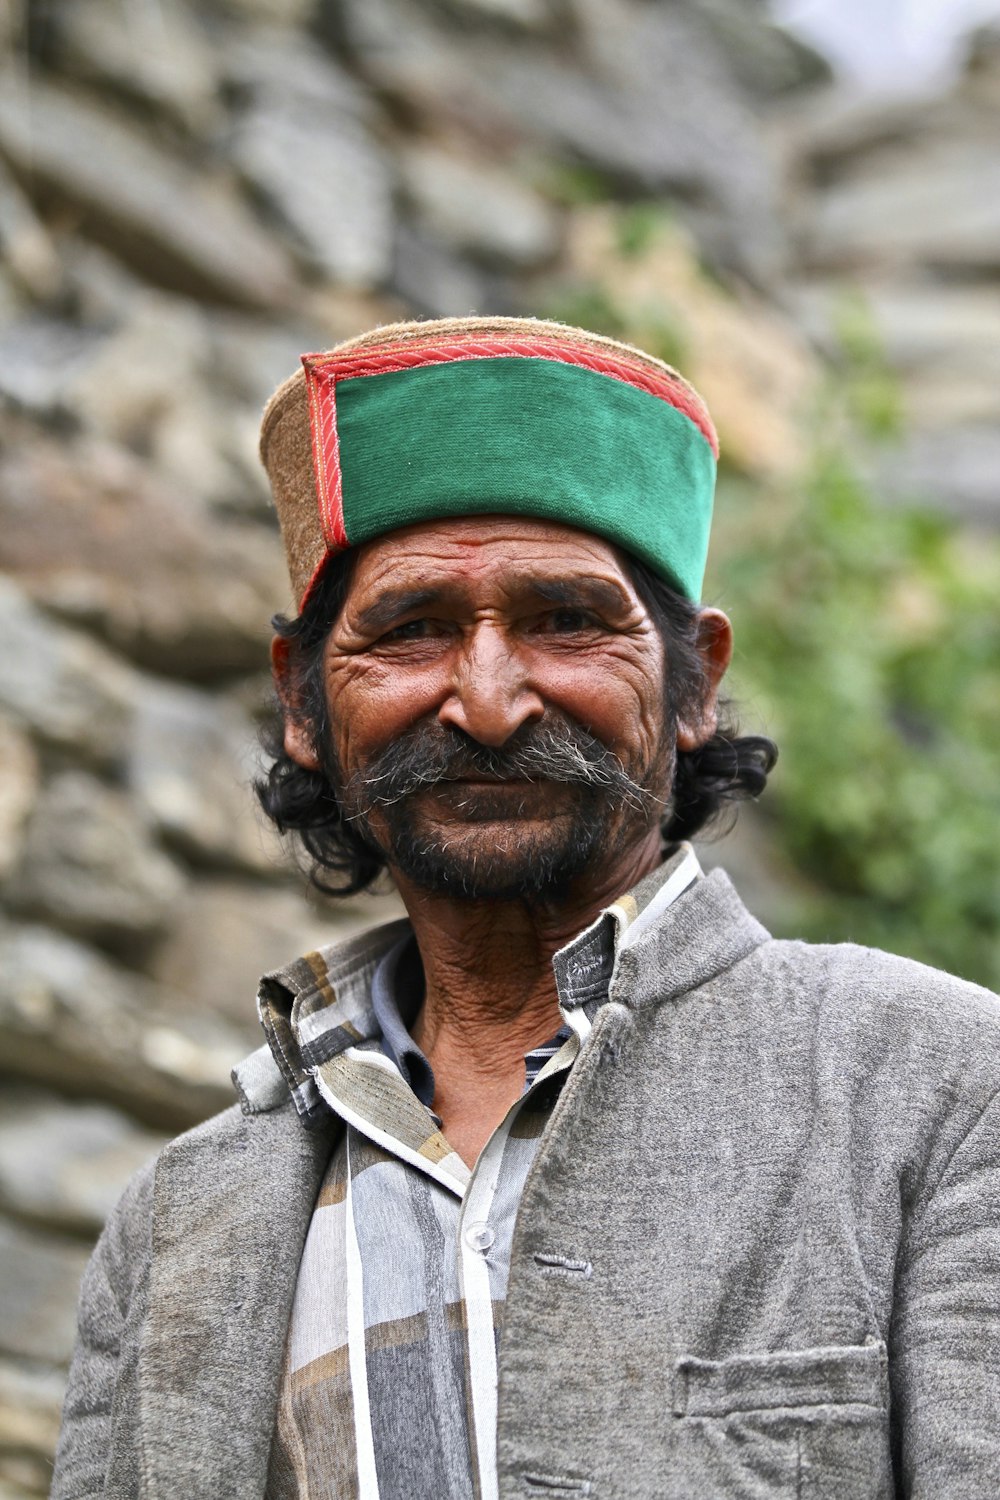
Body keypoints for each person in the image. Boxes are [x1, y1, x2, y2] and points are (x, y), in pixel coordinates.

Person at [52, 317, 1000, 1500]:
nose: (489, 702)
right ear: (304, 700)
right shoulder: (177, 1224)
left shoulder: (944, 1091)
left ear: (692, 680)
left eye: (566, 620)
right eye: (410, 630)